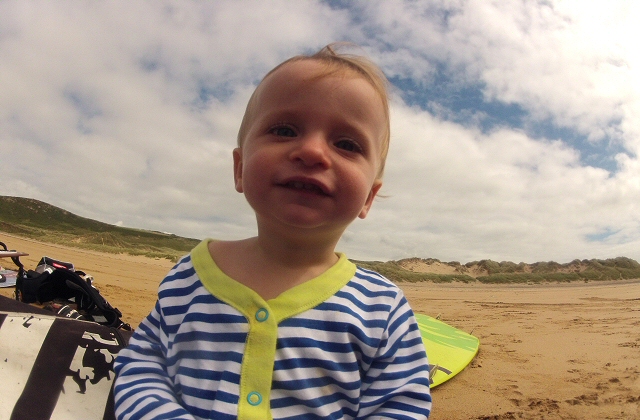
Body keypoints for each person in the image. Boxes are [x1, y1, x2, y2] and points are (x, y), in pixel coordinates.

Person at [113, 43, 432, 419]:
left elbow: (401, 405)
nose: (312, 151)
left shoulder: (382, 307)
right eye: (284, 130)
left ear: (369, 198)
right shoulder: (189, 276)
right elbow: (143, 363)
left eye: (347, 144)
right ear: (239, 169)